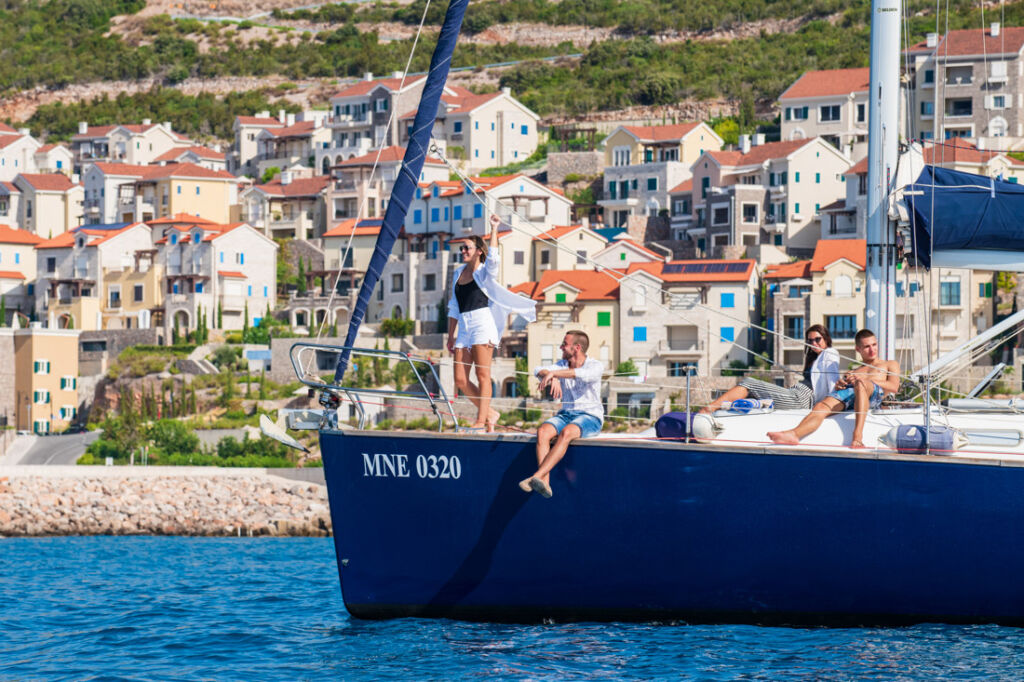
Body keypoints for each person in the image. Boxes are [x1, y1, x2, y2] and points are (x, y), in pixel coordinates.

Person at [448, 214, 538, 431]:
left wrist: (494, 229)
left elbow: (494, 260)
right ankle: (490, 413)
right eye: (462, 248)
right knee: (460, 380)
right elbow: (453, 305)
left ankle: (481, 422)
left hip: (482, 325)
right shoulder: (458, 273)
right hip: (464, 327)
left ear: (479, 251)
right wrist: (450, 335)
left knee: (482, 375)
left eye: (468, 248)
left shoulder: (485, 274)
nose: (463, 251)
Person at [767, 329, 900, 448]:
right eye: (866, 347)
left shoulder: (889, 364)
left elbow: (894, 387)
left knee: (860, 384)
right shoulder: (855, 371)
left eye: (874, 345)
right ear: (858, 349)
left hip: (872, 394)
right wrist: (840, 384)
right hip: (853, 395)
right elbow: (845, 389)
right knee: (820, 406)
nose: (872, 350)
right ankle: (794, 434)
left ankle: (857, 437)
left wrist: (864, 379)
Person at [519, 330, 604, 498]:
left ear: (577, 348)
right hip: (566, 414)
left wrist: (554, 374)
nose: (561, 347)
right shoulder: (561, 365)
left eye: (564, 344)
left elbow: (579, 375)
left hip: (590, 416)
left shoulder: (595, 366)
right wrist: (553, 377)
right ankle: (545, 483)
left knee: (566, 433)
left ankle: (536, 476)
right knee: (543, 432)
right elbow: (538, 370)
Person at [700, 324, 840, 414]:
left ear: (826, 339)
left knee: (749, 382)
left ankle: (708, 410)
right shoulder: (815, 358)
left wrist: (833, 405)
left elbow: (832, 379)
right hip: (795, 393)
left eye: (817, 339)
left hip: (803, 398)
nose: (813, 343)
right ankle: (717, 412)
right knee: (750, 395)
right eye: (810, 341)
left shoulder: (830, 353)